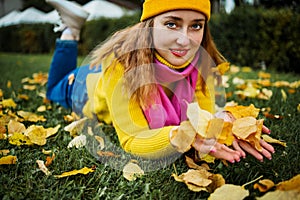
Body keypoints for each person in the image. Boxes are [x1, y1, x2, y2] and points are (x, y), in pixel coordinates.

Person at [45, 0, 275, 163]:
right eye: (171, 24)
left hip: (101, 74)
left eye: (196, 25)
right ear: (150, 25)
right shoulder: (119, 66)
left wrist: (225, 122)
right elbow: (133, 138)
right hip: (85, 86)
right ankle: (70, 31)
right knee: (52, 90)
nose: (184, 40)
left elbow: (205, 116)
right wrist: (184, 135)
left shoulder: (203, 65)